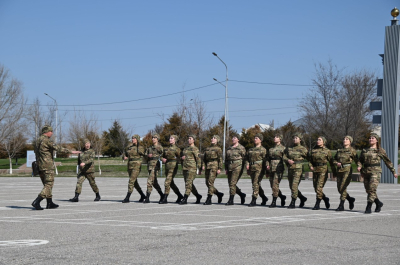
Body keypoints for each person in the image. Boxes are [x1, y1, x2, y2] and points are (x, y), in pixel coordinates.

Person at [31, 125, 80, 210]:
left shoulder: (37, 141)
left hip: (40, 166)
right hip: (47, 166)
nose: (52, 133)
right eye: (51, 131)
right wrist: (71, 151)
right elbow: (58, 148)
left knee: (46, 184)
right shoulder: (46, 140)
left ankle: (49, 203)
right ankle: (37, 201)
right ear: (47, 132)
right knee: (49, 184)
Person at [357, 133, 398, 214]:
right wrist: (359, 167)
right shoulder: (365, 150)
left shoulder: (380, 150)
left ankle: (368, 207)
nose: (370, 139)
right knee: (368, 190)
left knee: (372, 189)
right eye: (370, 138)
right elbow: (360, 160)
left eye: (372, 138)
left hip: (375, 171)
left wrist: (393, 171)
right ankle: (378, 203)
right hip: (366, 171)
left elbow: (388, 162)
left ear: (376, 140)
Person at [308, 136, 335, 210]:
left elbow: (331, 162)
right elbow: (310, 161)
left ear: (323, 142)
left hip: (323, 170)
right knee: (316, 188)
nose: (318, 141)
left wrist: (334, 172)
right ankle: (325, 199)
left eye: (320, 140)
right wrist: (310, 166)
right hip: (315, 170)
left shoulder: (327, 151)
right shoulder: (313, 150)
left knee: (319, 187)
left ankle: (317, 203)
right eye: (317, 139)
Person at [283, 133, 308, 209]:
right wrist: (288, 160)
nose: (294, 139)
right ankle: (302, 198)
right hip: (290, 168)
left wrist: (310, 165)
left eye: (296, 138)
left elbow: (309, 157)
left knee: (294, 186)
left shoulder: (303, 149)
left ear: (300, 139)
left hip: (298, 168)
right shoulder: (289, 148)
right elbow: (284, 156)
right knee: (292, 186)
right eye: (293, 138)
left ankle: (293, 201)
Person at [333, 136, 358, 211]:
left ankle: (341, 205)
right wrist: (336, 163)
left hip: (347, 170)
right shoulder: (339, 150)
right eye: (344, 139)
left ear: (350, 141)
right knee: (339, 189)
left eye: (347, 139)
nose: (344, 140)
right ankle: (350, 199)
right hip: (339, 170)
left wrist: (359, 167)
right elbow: (334, 160)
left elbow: (357, 160)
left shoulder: (352, 150)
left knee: (343, 187)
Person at [121, 135, 146, 203]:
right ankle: (142, 195)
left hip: (136, 165)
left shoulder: (140, 147)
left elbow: (144, 154)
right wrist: (124, 157)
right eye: (132, 138)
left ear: (137, 139)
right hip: (130, 165)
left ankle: (127, 197)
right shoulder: (129, 147)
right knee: (135, 183)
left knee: (131, 181)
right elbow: (125, 154)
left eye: (134, 138)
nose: (133, 140)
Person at [245, 133, 268, 207]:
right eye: (254, 138)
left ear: (260, 140)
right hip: (252, 168)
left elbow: (266, 160)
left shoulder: (263, 150)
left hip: (259, 169)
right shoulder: (250, 150)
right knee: (256, 184)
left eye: (257, 138)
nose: (255, 139)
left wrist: (267, 170)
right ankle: (264, 198)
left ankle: (254, 199)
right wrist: (247, 165)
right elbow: (247, 159)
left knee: (255, 183)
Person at [160, 135, 184, 204]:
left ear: (175, 140)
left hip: (173, 166)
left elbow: (180, 158)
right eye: (169, 138)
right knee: (171, 183)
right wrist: (162, 159)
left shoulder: (177, 149)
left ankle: (165, 198)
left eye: (171, 138)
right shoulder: (166, 148)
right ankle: (179, 195)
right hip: (167, 166)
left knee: (167, 182)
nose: (170, 139)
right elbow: (161, 156)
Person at [179, 135, 202, 205]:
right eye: (188, 138)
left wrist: (200, 168)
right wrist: (182, 158)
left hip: (192, 168)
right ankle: (198, 196)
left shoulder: (195, 149)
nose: (188, 140)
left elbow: (198, 159)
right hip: (185, 168)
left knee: (188, 183)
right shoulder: (185, 149)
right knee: (189, 184)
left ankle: (185, 198)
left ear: (193, 140)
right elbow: (182, 158)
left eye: (190, 139)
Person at [225, 133, 246, 205]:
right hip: (230, 167)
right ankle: (241, 194)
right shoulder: (229, 148)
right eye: (232, 138)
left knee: (232, 183)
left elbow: (244, 158)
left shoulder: (241, 148)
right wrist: (226, 168)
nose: (233, 139)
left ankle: (231, 200)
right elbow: (226, 159)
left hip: (237, 167)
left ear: (238, 139)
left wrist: (244, 168)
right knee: (231, 184)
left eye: (235, 138)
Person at [265, 134, 287, 208]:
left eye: (277, 137)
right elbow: (267, 158)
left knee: (275, 184)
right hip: (271, 168)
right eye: (274, 137)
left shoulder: (283, 148)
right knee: (272, 185)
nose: (275, 138)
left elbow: (285, 158)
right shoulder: (271, 149)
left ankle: (274, 201)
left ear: (280, 139)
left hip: (278, 168)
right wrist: (267, 165)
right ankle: (281, 196)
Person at [202, 135, 224, 205]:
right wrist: (203, 165)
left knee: (210, 182)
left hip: (214, 166)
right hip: (208, 166)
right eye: (212, 138)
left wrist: (220, 168)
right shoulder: (207, 148)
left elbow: (220, 159)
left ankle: (209, 199)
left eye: (214, 138)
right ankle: (218, 194)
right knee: (207, 183)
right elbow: (204, 158)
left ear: (217, 140)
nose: (212, 139)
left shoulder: (218, 149)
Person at [144, 133, 164, 203]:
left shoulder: (160, 147)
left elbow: (164, 154)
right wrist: (147, 156)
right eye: (152, 138)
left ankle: (147, 197)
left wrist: (162, 159)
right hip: (150, 165)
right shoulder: (149, 148)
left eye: (154, 138)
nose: (153, 139)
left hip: (155, 166)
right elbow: (145, 155)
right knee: (154, 182)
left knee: (149, 181)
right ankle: (162, 195)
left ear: (157, 139)